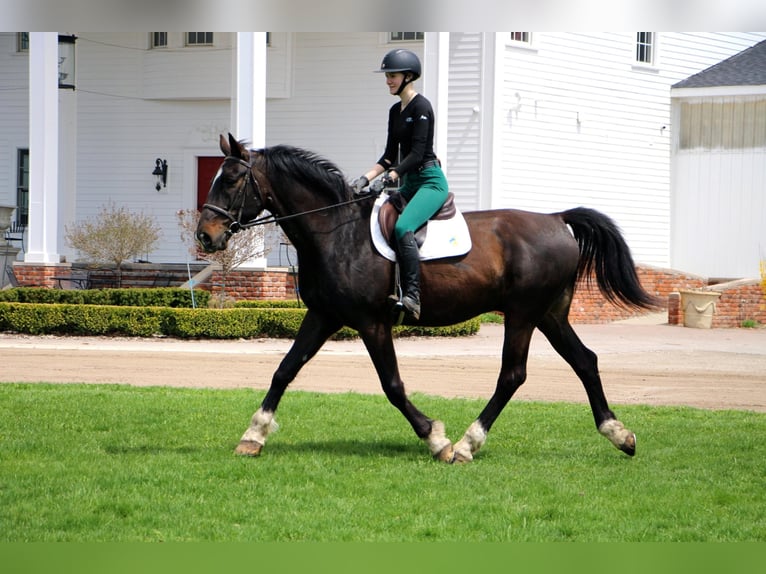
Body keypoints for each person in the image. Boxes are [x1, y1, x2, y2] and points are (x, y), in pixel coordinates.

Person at [351, 48, 449, 321]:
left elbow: (417, 154)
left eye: (392, 76)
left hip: (430, 182)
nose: (388, 81)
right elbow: (388, 155)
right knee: (372, 214)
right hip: (409, 183)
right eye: (387, 77)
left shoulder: (422, 107)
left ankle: (413, 296)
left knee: (404, 226)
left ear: (408, 76)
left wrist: (393, 175)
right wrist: (364, 178)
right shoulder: (395, 110)